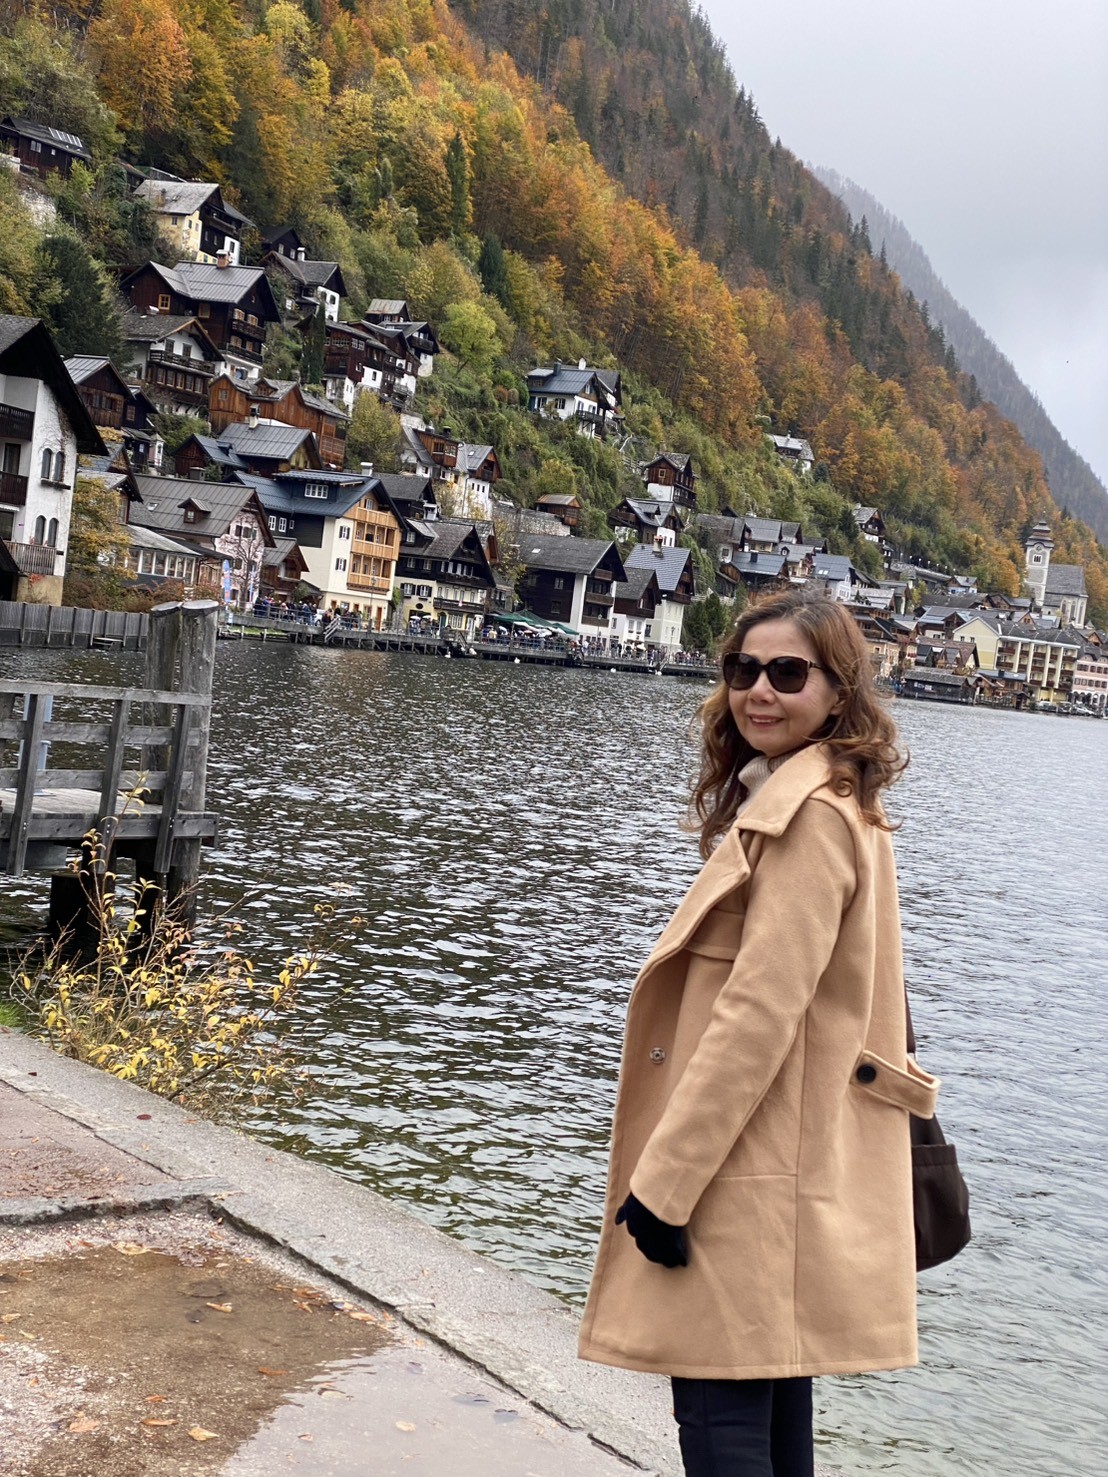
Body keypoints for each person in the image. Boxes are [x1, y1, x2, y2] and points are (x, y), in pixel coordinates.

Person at [578, 587, 941, 1476]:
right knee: (767, 1408)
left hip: (743, 1168)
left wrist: (664, 1187)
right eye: (744, 670)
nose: (759, 691)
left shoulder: (806, 815)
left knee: (718, 1411)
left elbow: (757, 1016)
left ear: (839, 688)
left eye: (787, 672)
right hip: (782, 1158)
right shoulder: (828, 797)